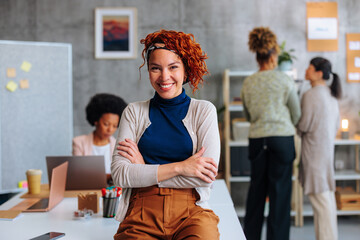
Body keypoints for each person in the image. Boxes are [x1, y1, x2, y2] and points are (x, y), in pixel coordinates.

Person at [111, 29, 220, 239]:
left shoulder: (204, 111)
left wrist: (144, 171)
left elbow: (205, 178)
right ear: (148, 71)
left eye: (173, 67)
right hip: (141, 211)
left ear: (186, 70)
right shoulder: (133, 112)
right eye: (155, 68)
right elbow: (121, 175)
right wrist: (181, 167)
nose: (164, 77)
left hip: (191, 213)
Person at [240, 27, 301, 240]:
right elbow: (296, 113)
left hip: (257, 140)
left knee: (257, 192)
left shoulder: (249, 82)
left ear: (257, 57)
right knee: (280, 195)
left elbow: (247, 115)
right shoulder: (284, 80)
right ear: (273, 55)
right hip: (282, 140)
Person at [297, 57, 341, 240]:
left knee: (321, 206)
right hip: (326, 154)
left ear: (319, 73)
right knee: (326, 202)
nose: (306, 71)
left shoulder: (310, 95)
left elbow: (304, 125)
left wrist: (296, 125)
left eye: (310, 68)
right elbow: (336, 125)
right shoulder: (332, 95)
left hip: (313, 154)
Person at [72, 93, 127, 180]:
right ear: (96, 120)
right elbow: (78, 174)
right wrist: (109, 176)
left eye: (114, 126)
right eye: (106, 124)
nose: (110, 129)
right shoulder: (79, 142)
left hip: (112, 191)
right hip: (87, 190)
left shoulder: (119, 146)